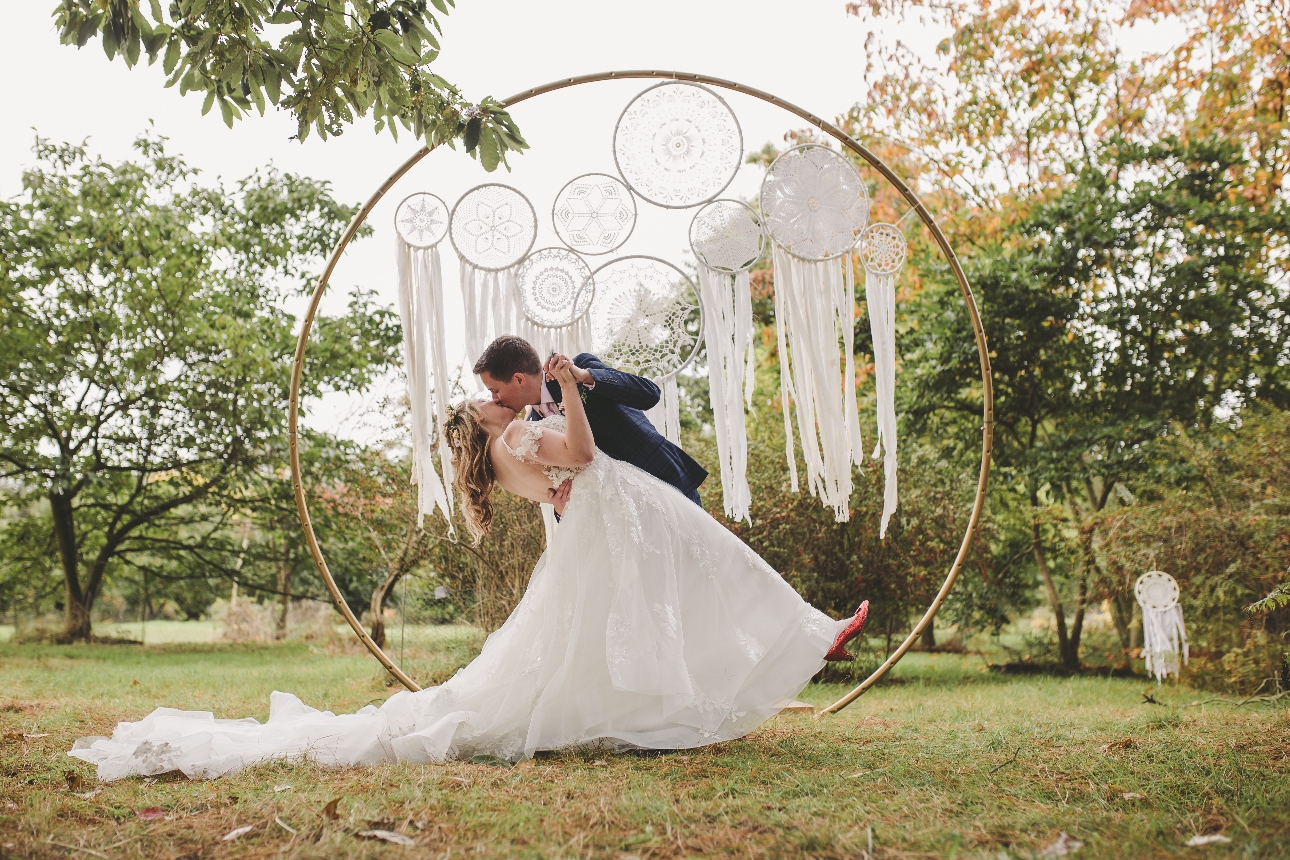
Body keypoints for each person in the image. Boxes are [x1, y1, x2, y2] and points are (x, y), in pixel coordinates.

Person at [68, 356, 869, 781]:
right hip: (618, 515)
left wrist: (563, 395)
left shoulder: (502, 451)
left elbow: (564, 488)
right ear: (485, 418)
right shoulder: (518, 437)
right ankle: (808, 634)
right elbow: (584, 455)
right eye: (491, 398)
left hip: (613, 523)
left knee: (641, 611)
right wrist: (564, 391)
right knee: (702, 580)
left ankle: (798, 639)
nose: (501, 399)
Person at [473, 335, 707, 512]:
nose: (495, 398)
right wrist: (559, 508)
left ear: (519, 379)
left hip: (665, 478)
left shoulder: (581, 367)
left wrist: (586, 377)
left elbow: (650, 394)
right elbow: (572, 487)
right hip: (628, 512)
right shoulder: (532, 431)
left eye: (495, 390)